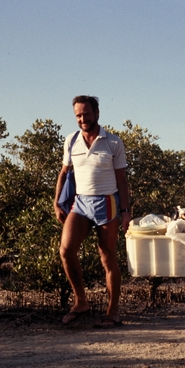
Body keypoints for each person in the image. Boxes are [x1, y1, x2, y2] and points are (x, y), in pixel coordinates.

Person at [54, 95, 131, 328]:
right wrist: (57, 202)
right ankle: (81, 302)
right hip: (80, 203)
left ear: (97, 113)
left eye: (86, 114)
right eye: (78, 115)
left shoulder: (113, 142)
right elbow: (64, 172)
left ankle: (113, 312)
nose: (82, 119)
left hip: (106, 202)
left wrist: (126, 211)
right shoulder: (71, 140)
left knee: (107, 257)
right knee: (66, 250)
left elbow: (122, 180)